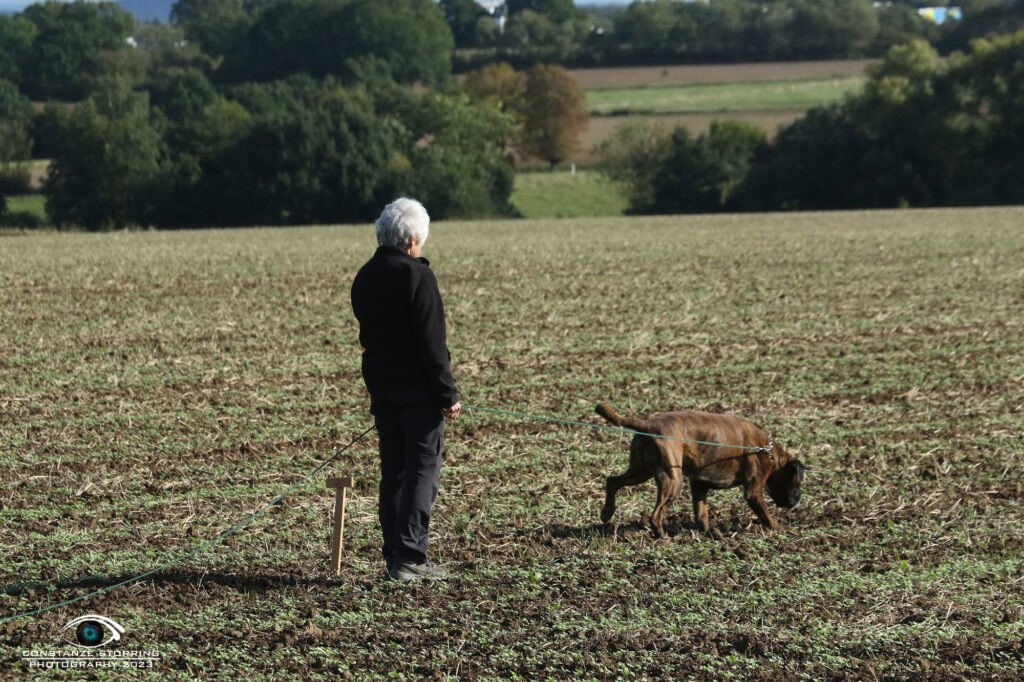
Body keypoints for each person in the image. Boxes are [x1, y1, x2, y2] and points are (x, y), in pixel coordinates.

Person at [350, 197, 461, 582]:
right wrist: (448, 395)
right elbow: (432, 345)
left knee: (394, 471)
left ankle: (394, 555)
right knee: (421, 470)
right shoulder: (417, 276)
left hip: (382, 387)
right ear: (413, 240)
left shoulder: (365, 275)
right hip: (418, 392)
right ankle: (411, 557)